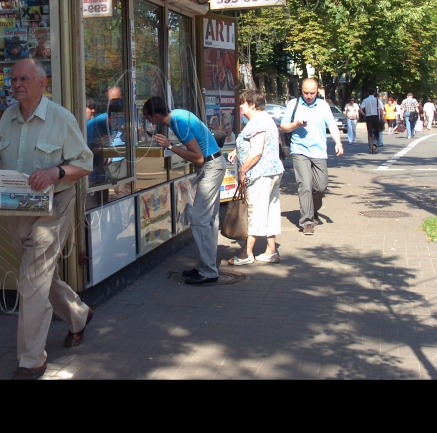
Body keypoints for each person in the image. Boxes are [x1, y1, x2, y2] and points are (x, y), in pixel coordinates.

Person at [0, 59, 94, 380]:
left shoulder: (61, 119)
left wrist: (54, 172)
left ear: (42, 83)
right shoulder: (8, 116)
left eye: (24, 78)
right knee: (39, 276)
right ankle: (78, 314)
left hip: (54, 206)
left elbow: (84, 163)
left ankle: (31, 361)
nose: (17, 83)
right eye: (14, 78)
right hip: (16, 208)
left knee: (31, 280)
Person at [144, 96, 226, 284]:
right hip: (216, 163)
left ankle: (208, 270)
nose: (150, 122)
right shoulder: (179, 114)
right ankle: (207, 265)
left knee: (198, 218)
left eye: (149, 118)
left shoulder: (177, 123)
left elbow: (198, 158)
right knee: (209, 219)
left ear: (157, 115)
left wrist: (170, 146)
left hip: (210, 167)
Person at [227, 90, 284, 264]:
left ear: (252, 104)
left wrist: (242, 171)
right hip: (272, 172)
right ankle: (271, 251)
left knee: (255, 213)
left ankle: (247, 253)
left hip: (260, 174)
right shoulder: (265, 119)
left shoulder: (258, 121)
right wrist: (238, 151)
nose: (241, 106)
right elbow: (256, 142)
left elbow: (257, 151)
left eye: (243, 103)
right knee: (270, 212)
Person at [280, 78, 343, 235]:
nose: (309, 96)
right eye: (306, 93)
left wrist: (338, 142)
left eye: (312, 93)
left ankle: (313, 208)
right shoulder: (293, 104)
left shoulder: (323, 105)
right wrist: (296, 124)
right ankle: (307, 222)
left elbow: (332, 125)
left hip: (319, 151)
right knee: (305, 186)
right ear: (301, 90)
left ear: (317, 91)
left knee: (321, 186)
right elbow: (283, 126)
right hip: (299, 150)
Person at [360, 89, 383, 154]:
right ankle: (375, 144)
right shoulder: (377, 100)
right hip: (375, 116)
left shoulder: (365, 100)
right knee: (376, 132)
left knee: (370, 133)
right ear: (374, 93)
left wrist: (364, 115)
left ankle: (370, 148)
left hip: (368, 117)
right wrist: (382, 117)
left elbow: (360, 109)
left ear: (368, 93)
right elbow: (381, 109)